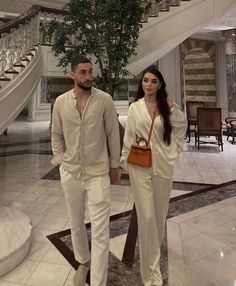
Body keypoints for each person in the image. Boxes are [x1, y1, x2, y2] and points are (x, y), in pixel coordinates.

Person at [51, 57, 120, 286]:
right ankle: (83, 261)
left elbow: (113, 135)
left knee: (100, 230)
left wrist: (114, 165)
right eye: (83, 72)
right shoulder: (61, 102)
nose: (89, 77)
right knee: (76, 221)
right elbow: (56, 134)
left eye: (90, 72)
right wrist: (61, 160)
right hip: (71, 172)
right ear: (72, 75)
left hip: (98, 172)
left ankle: (98, 282)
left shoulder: (104, 100)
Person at [120, 66, 187, 286]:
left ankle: (153, 261)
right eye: (145, 81)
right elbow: (128, 137)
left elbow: (180, 127)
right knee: (146, 217)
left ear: (160, 85)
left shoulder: (167, 107)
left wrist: (172, 152)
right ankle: (150, 273)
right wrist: (123, 163)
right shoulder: (134, 108)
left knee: (158, 217)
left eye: (153, 81)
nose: (148, 85)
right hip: (140, 167)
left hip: (163, 168)